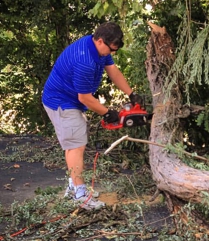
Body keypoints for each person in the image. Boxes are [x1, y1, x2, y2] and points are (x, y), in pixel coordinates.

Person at [42, 22, 142, 210]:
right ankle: (80, 194)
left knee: (75, 144)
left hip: (70, 99)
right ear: (100, 41)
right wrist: (108, 113)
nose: (111, 53)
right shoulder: (85, 61)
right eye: (111, 49)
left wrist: (131, 93)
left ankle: (73, 187)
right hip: (62, 102)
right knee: (76, 145)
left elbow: (112, 69)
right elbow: (85, 98)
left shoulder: (97, 47)